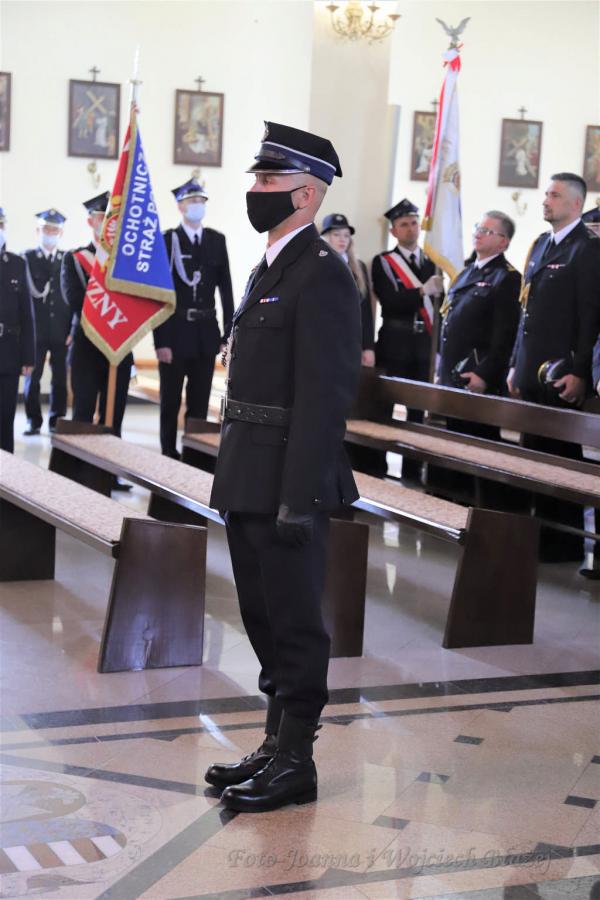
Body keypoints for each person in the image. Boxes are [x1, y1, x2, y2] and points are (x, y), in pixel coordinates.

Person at [205, 121, 362, 813]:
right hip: (248, 470)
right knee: (262, 614)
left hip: (288, 480)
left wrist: (299, 495)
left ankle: (297, 760)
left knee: (295, 620)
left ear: (306, 194)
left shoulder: (323, 273)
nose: (256, 189)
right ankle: (274, 744)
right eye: (257, 178)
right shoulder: (270, 266)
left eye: (270, 180)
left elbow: (325, 398)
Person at [508, 172, 600, 561]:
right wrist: (515, 364)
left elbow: (589, 317)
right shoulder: (542, 244)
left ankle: (564, 544)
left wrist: (580, 372)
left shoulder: (588, 249)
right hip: (532, 368)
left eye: (555, 195)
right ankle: (540, 539)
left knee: (561, 459)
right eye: (546, 193)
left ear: (576, 204)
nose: (546, 200)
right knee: (534, 455)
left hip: (562, 372)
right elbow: (525, 310)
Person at [153, 180, 234, 458]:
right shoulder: (167, 241)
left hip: (206, 334)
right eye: (192, 201)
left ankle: (193, 453)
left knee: (199, 401)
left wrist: (227, 334)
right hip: (174, 333)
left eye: (201, 201)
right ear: (180, 206)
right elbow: (158, 293)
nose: (197, 206)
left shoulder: (216, 240)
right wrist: (160, 341)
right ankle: (168, 452)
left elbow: (226, 290)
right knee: (170, 400)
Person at [371, 198, 443, 480]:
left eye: (414, 223)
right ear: (394, 231)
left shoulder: (434, 262)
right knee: (385, 406)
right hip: (395, 341)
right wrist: (422, 291)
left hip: (424, 344)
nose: (411, 228)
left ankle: (412, 471)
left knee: (418, 410)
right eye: (404, 224)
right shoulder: (384, 262)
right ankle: (378, 467)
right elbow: (390, 300)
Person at [60, 192, 133, 445]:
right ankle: (81, 466)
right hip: (86, 347)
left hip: (119, 348)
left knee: (114, 417)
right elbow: (75, 301)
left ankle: (110, 465)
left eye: (112, 218)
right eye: (102, 218)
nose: (108, 224)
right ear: (90, 221)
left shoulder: (127, 263)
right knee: (83, 414)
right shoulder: (74, 259)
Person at [439, 211, 521, 421]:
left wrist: (484, 374)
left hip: (476, 374)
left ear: (503, 241)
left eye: (487, 231)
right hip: (452, 371)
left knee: (475, 434)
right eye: (478, 227)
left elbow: (505, 336)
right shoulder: (466, 272)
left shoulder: (507, 278)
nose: (478, 234)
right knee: (450, 434)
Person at [22, 209, 71, 435]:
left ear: (60, 233)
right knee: (33, 378)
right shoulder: (27, 259)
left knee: (59, 379)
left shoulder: (67, 259)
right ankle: (33, 420)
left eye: (54, 230)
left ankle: (56, 419)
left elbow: (71, 297)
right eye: (45, 229)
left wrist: (71, 329)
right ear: (37, 231)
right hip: (35, 331)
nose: (49, 234)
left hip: (61, 330)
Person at [0, 208, 35, 452]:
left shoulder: (16, 264)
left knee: (5, 419)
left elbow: (27, 315)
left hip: (8, 353)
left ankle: (6, 471)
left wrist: (28, 357)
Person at [320, 213, 375, 366]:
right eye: (336, 234)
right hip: (324, 340)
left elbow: (365, 311)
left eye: (346, 235)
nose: (342, 239)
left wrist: (368, 347)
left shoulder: (359, 267)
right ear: (326, 237)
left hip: (351, 341)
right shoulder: (318, 265)